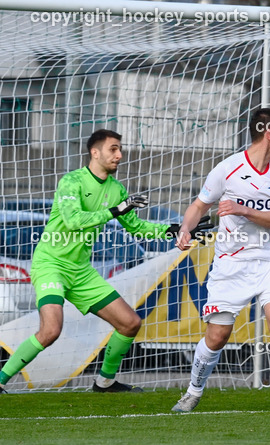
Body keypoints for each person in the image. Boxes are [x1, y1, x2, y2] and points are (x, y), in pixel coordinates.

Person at [0, 129, 209, 394]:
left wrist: (176, 229)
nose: (119, 155)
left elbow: (136, 228)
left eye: (120, 149)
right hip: (51, 264)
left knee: (130, 323)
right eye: (113, 149)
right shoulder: (71, 181)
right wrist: (115, 210)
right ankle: (1, 379)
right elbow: (73, 220)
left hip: (81, 272)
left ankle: (105, 382)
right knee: (51, 329)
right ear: (95, 152)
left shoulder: (116, 189)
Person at [170, 108, 270, 413]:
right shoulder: (227, 169)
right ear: (269, 132)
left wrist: (242, 209)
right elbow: (198, 206)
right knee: (218, 335)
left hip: (269, 260)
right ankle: (193, 391)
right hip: (231, 264)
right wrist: (185, 228)